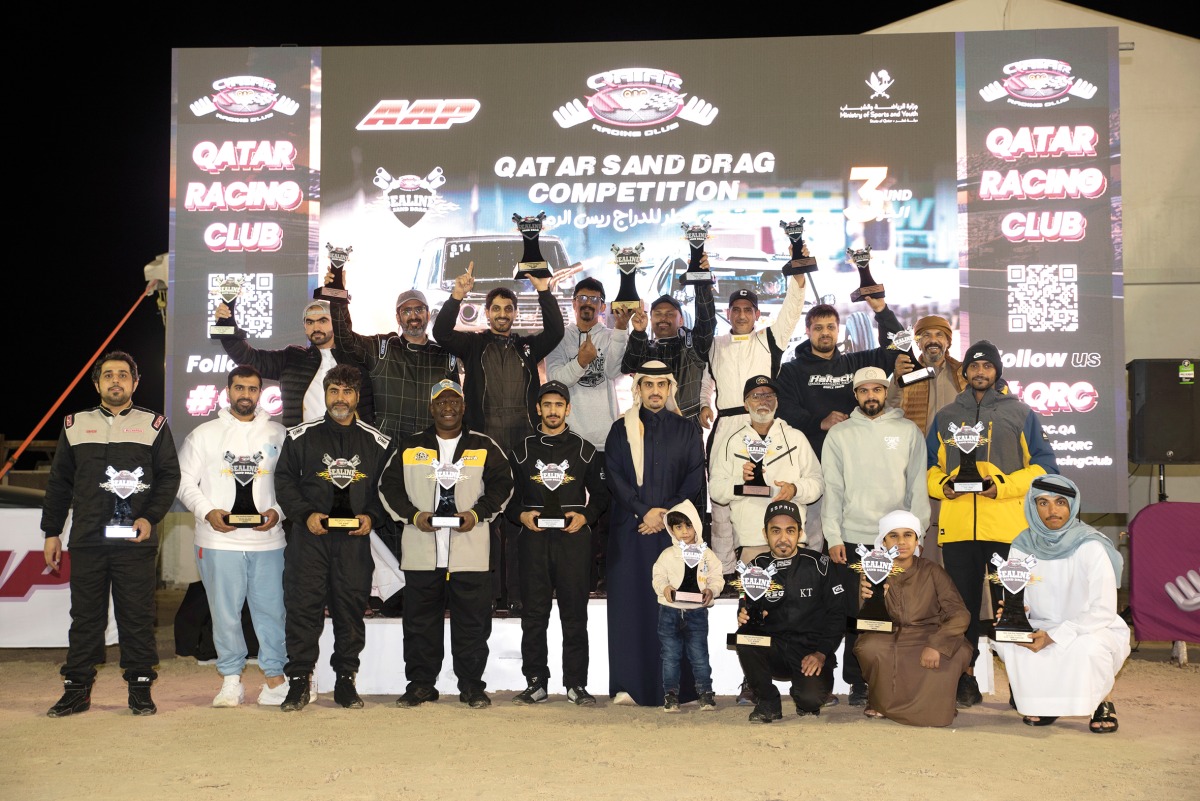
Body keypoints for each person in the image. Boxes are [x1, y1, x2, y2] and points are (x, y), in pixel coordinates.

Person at [43, 351, 181, 717]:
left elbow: (169, 476)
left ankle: (140, 688)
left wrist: (150, 517)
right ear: (97, 383)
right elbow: (59, 483)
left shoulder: (154, 425)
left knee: (137, 616)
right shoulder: (75, 424)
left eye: (123, 374)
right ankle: (76, 689)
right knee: (85, 617)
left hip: (135, 540)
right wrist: (51, 532)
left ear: (135, 382)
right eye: (108, 375)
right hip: (87, 539)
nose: (115, 380)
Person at [926, 339, 1058, 708]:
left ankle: (1020, 683)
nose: (980, 372)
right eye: (974, 366)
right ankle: (965, 677)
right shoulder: (947, 416)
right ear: (965, 372)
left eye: (987, 366)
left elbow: (1045, 466)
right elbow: (928, 467)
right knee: (961, 609)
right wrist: (942, 485)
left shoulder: (1020, 413)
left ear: (997, 371)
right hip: (958, 530)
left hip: (1006, 530)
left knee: (1011, 608)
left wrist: (1001, 486)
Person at [432, 263, 564, 611]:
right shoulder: (473, 344)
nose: (502, 314)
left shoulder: (527, 347)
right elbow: (441, 332)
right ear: (487, 313)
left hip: (522, 449)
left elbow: (556, 331)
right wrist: (457, 296)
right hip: (484, 449)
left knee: (520, 523)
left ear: (515, 314)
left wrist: (544, 290)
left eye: (508, 309)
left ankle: (518, 596)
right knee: (483, 523)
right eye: (496, 309)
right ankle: (487, 596)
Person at [378, 379, 514, 710]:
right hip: (422, 552)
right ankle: (421, 685)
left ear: (463, 407)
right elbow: (387, 487)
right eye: (441, 402)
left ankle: (471, 686)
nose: (448, 407)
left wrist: (477, 513)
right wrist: (413, 516)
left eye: (454, 401)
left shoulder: (483, 445)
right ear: (431, 408)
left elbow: (504, 485)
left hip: (471, 552)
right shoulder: (410, 446)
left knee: (472, 624)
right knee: (419, 624)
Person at [273, 364, 391, 711]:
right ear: (325, 395)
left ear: (357, 397)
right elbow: (284, 481)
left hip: (353, 543)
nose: (340, 398)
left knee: (350, 611)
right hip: (310, 540)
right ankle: (299, 682)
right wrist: (304, 514)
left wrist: (372, 517)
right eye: (334, 391)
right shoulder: (300, 436)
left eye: (347, 392)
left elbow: (387, 490)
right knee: (302, 609)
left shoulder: (377, 442)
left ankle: (345, 682)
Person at [176, 365, 289, 708]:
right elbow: (183, 482)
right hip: (218, 541)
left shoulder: (278, 434)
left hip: (268, 541)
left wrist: (278, 512)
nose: (245, 394)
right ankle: (230, 681)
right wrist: (207, 512)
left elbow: (292, 485)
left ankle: (275, 680)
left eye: (252, 389)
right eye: (239, 388)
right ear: (228, 392)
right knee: (224, 613)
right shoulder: (203, 434)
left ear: (260, 394)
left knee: (272, 611)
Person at [821, 366, 931, 705]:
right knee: (856, 610)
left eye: (877, 389)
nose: (871, 395)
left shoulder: (908, 431)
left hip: (896, 540)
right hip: (853, 537)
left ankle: (895, 677)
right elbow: (832, 489)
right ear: (855, 394)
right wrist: (833, 536)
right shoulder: (839, 435)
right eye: (864, 390)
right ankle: (859, 682)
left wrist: (917, 535)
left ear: (886, 392)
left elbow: (918, 486)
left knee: (897, 610)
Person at [991, 475, 1129, 733]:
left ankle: (1102, 700)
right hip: (1042, 623)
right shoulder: (1022, 545)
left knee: (1087, 649)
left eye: (1060, 502)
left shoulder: (1091, 545)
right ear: (1033, 507)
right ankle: (1045, 704)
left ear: (1072, 506)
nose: (1052, 510)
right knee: (1011, 642)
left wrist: (1055, 636)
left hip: (1089, 626)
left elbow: (1103, 609)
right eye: (1043, 503)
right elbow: (1022, 597)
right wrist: (1015, 613)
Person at [604, 360, 705, 706]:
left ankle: (682, 689)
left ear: (670, 389)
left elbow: (694, 477)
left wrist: (663, 515)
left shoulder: (687, 430)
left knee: (676, 607)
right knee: (632, 607)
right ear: (639, 389)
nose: (655, 391)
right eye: (649, 385)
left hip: (674, 532)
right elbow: (614, 475)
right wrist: (642, 510)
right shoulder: (620, 429)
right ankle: (630, 685)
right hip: (631, 532)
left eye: (662, 385)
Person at [776, 297, 907, 552]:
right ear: (808, 331)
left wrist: (881, 310)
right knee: (814, 538)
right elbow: (785, 410)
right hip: (813, 468)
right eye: (818, 328)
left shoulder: (855, 363)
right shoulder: (791, 371)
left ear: (839, 330)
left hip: (856, 471)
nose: (825, 333)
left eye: (830, 327)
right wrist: (819, 422)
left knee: (852, 539)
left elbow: (896, 349)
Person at [507, 381, 608, 706]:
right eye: (547, 404)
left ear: (568, 409)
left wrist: (586, 516)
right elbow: (506, 499)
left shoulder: (585, 449)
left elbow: (602, 495)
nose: (553, 411)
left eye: (559, 405)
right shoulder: (520, 450)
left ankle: (576, 684)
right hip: (534, 541)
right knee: (534, 615)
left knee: (575, 614)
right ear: (538, 409)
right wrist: (521, 515)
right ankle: (536, 683)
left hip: (573, 541)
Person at [701, 276, 806, 576]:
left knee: (763, 492)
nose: (742, 315)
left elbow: (791, 312)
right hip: (725, 426)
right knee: (721, 501)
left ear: (757, 314)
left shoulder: (770, 339)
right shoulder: (715, 344)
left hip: (762, 423)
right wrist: (704, 403)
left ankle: (765, 565)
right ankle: (724, 571)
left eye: (748, 309)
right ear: (728, 313)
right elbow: (707, 379)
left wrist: (798, 282)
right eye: (736, 309)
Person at [545, 277, 632, 591]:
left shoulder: (610, 335)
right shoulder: (559, 338)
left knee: (605, 513)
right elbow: (555, 379)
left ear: (602, 305)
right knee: (568, 511)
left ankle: (606, 575)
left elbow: (613, 371)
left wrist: (621, 330)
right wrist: (580, 362)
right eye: (582, 298)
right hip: (569, 441)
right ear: (573, 303)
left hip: (603, 440)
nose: (587, 304)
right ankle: (570, 575)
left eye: (594, 299)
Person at [853, 510, 971, 727]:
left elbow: (959, 613)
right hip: (889, 635)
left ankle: (938, 704)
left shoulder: (932, 571)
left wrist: (936, 644)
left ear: (917, 540)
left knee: (958, 651)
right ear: (884, 542)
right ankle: (880, 700)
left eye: (908, 535)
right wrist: (876, 599)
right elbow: (867, 620)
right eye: (893, 535)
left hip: (929, 633)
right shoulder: (872, 569)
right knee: (869, 647)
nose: (901, 542)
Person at [735, 500, 845, 723]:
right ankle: (768, 702)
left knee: (810, 701)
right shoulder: (755, 567)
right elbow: (745, 605)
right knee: (745, 637)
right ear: (765, 534)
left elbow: (838, 614)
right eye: (776, 531)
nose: (783, 538)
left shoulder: (820, 565)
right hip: (773, 649)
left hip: (810, 652)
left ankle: (803, 689)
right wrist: (744, 615)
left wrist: (821, 653)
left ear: (800, 533)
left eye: (790, 531)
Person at [326, 275, 458, 441]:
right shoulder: (382, 347)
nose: (413, 316)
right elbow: (345, 340)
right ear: (398, 317)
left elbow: (456, 408)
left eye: (419, 310)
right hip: (388, 448)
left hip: (430, 448)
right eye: (406, 311)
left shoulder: (445, 355)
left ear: (427, 314)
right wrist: (338, 293)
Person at [217, 298, 375, 427]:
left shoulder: (359, 356)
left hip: (354, 444)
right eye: (310, 322)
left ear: (335, 323)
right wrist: (227, 324)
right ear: (304, 327)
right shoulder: (291, 357)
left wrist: (338, 293)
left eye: (323, 321)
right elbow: (248, 358)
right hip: (303, 446)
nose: (316, 327)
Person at [887, 314, 966, 566]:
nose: (933, 340)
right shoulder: (907, 373)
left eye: (939, 335)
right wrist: (896, 380)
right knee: (925, 533)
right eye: (926, 335)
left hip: (958, 466)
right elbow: (889, 412)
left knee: (956, 534)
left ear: (948, 341)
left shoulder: (963, 374)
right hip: (919, 465)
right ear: (918, 342)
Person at [651, 500, 724, 712]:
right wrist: (665, 588)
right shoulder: (667, 555)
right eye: (678, 527)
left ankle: (705, 693)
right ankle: (671, 695)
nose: (684, 532)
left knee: (700, 655)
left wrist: (711, 590)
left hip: (697, 613)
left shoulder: (707, 555)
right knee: (670, 656)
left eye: (689, 526)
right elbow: (658, 576)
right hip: (669, 612)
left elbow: (717, 578)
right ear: (671, 529)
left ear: (697, 526)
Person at [620, 287, 715, 423]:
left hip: (687, 424)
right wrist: (639, 332)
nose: (663, 318)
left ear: (681, 320)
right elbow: (628, 367)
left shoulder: (692, 346)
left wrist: (702, 285)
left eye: (670, 314)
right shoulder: (645, 347)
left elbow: (706, 322)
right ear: (651, 319)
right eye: (658, 314)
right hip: (649, 426)